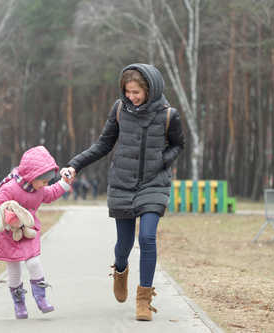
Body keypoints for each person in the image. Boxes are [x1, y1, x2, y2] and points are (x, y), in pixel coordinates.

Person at [61, 63, 185, 321]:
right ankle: (120, 269)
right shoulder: (120, 110)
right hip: (122, 183)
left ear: (150, 89)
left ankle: (143, 300)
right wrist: (74, 165)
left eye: (136, 92)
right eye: (127, 91)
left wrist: (162, 161)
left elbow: (178, 144)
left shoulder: (168, 115)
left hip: (154, 184)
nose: (131, 97)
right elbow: (103, 144)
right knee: (124, 245)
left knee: (148, 238)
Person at [0, 146, 72, 319]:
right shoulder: (10, 188)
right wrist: (10, 221)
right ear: (33, 177)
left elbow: (52, 192)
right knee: (14, 270)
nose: (46, 185)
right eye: (44, 181)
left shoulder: (38, 190)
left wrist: (64, 182)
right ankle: (19, 303)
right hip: (8, 236)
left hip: (28, 233)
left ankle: (41, 298)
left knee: (33, 262)